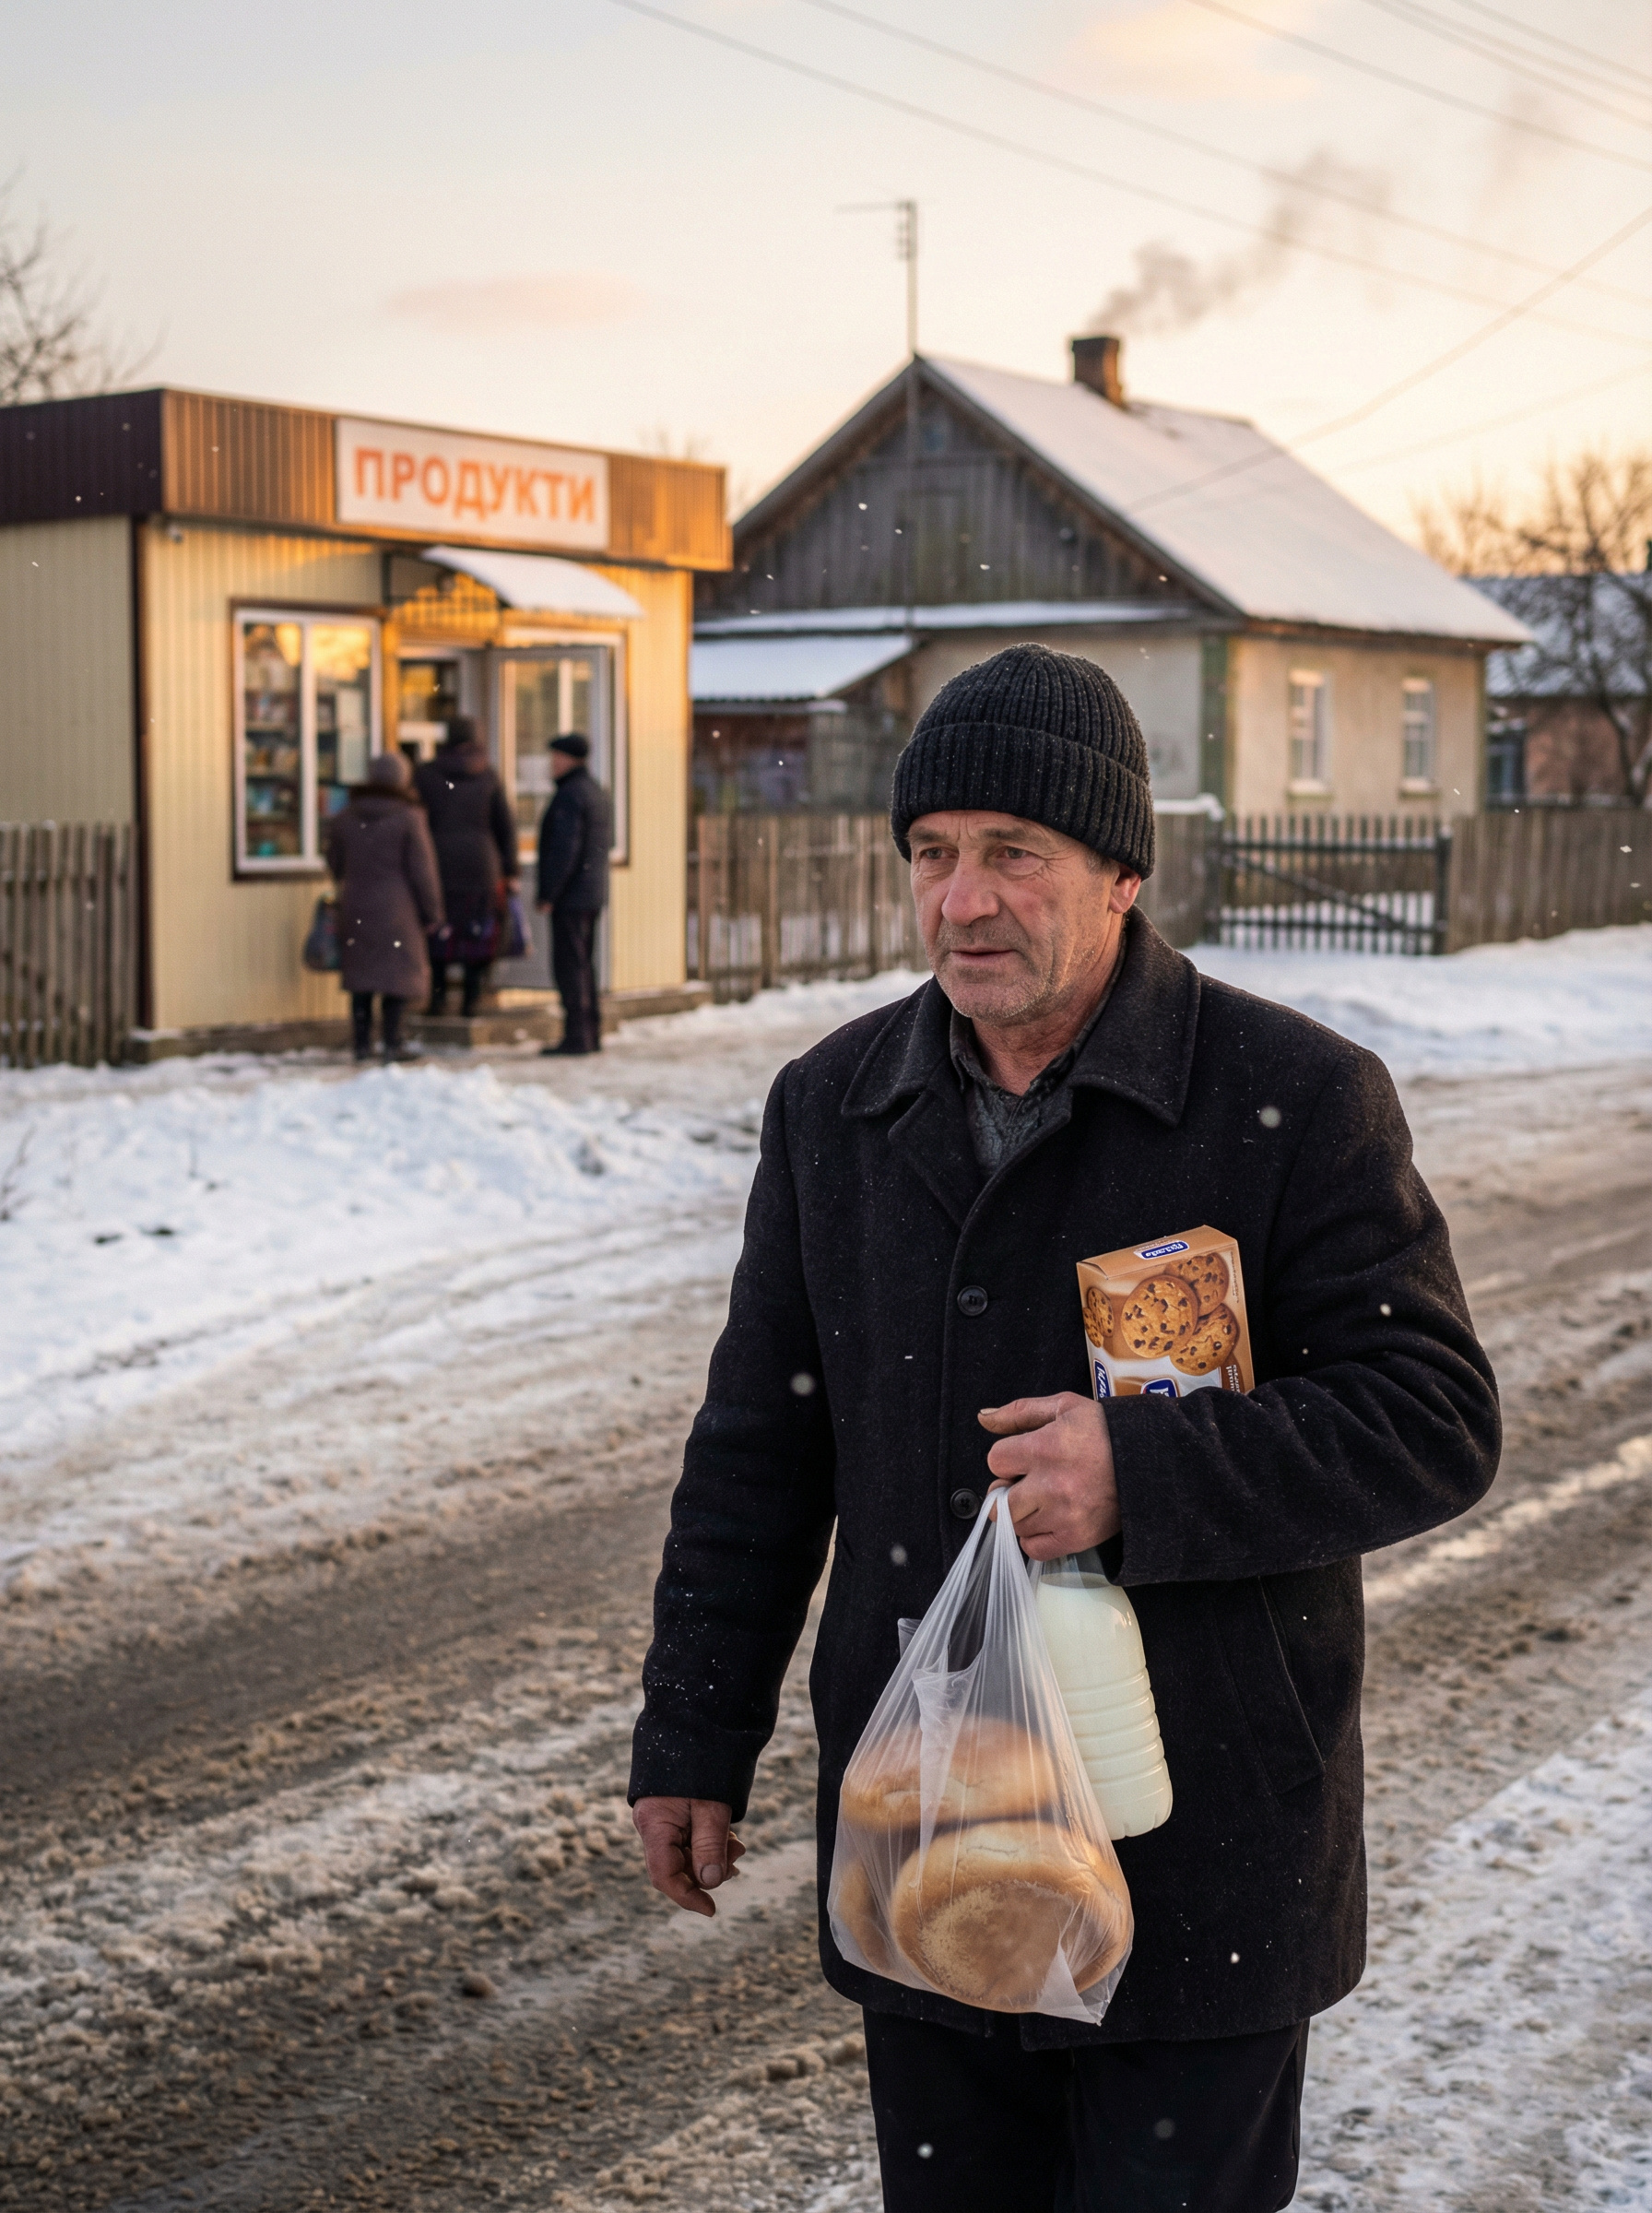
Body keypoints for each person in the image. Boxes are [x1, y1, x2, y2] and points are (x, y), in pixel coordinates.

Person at [628, 645, 1501, 2213]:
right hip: (935, 1827)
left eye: (1013, 854)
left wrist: (1142, 1473)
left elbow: (1431, 1416)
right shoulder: (834, 1107)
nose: (963, 901)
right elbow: (761, 1445)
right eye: (932, 853)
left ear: (1120, 873)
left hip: (1200, 1842)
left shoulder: (1292, 1096)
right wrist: (693, 1736)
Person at [324, 750, 443, 1062]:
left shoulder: (346, 817)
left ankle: (361, 1044)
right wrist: (433, 912)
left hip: (355, 904)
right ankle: (393, 1042)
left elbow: (334, 861)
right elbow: (423, 870)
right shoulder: (409, 817)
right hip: (398, 908)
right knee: (396, 977)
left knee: (361, 977)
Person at [414, 715, 519, 1018]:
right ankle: (471, 1000)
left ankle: (437, 1000)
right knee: (476, 935)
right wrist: (511, 869)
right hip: (482, 867)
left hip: (438, 865)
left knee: (439, 933)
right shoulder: (488, 775)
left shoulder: (426, 775)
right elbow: (505, 827)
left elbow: (416, 823)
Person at [535, 733, 612, 1057]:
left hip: (572, 896)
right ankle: (589, 1032)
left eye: (557, 757)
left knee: (571, 967)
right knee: (584, 965)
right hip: (590, 893)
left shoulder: (570, 795)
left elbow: (563, 850)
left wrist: (549, 893)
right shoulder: (594, 792)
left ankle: (578, 1036)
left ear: (570, 759)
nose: (552, 763)